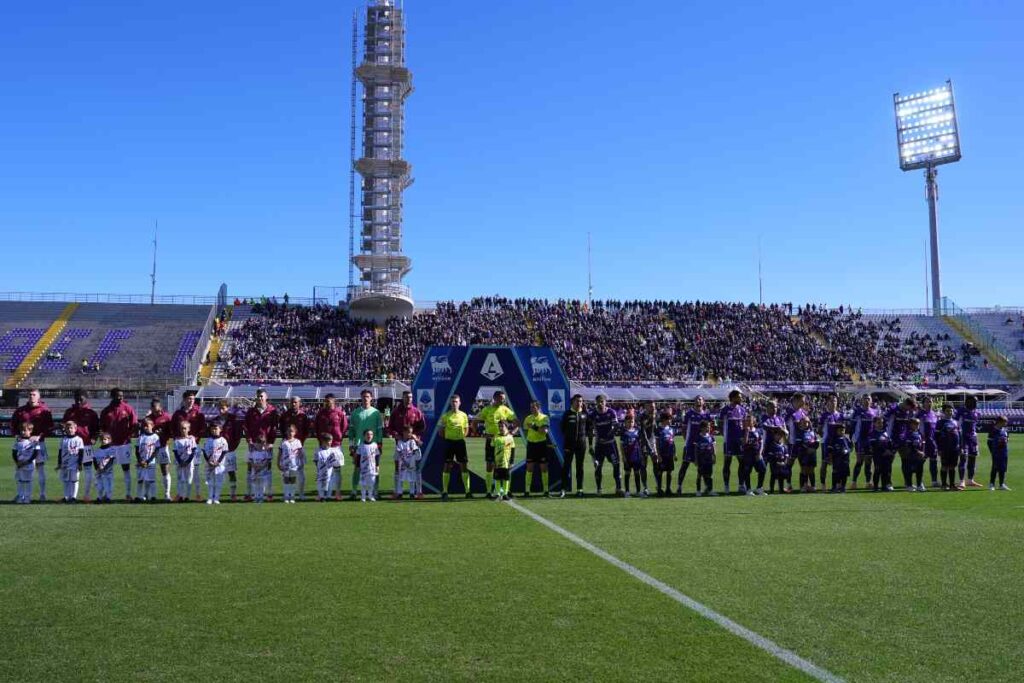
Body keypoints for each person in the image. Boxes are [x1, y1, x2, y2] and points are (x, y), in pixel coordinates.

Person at [12, 388, 54, 502]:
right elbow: (13, 425)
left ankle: (42, 494)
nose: (32, 396)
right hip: (23, 444)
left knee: (40, 469)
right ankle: (20, 494)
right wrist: (17, 435)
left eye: (34, 394)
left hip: (38, 443)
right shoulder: (21, 410)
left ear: (39, 396)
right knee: (20, 469)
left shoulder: (44, 410)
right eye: (30, 394)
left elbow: (50, 427)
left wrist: (39, 436)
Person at [475, 391, 518, 499]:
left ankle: (504, 491)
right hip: (491, 441)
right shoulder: (487, 409)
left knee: (505, 466)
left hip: (504, 442)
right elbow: (474, 423)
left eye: (504, 398)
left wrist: (511, 433)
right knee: (490, 466)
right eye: (501, 398)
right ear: (495, 398)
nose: (503, 400)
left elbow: (517, 422)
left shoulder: (505, 409)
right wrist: (481, 434)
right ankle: (489, 491)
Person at [99, 388, 138, 502]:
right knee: (108, 470)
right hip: (110, 446)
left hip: (124, 444)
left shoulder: (128, 408)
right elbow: (102, 427)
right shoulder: (106, 411)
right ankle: (108, 495)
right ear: (112, 396)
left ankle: (128, 494)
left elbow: (134, 423)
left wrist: (130, 434)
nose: (120, 397)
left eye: (121, 395)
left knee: (126, 469)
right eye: (117, 396)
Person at [387, 391, 426, 500]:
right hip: (400, 445)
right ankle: (397, 492)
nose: (409, 399)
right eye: (406, 397)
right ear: (402, 398)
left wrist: (415, 435)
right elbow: (390, 427)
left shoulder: (416, 411)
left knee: (416, 468)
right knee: (398, 468)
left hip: (413, 444)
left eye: (410, 397)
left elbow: (422, 427)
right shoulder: (396, 411)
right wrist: (396, 435)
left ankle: (418, 492)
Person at [63, 390, 99, 502]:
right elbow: (64, 425)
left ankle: (86, 495)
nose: (78, 401)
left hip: (86, 445)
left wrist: (94, 438)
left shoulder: (91, 413)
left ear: (86, 399)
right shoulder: (69, 412)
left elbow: (96, 428)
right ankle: (70, 496)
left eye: (81, 399)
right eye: (76, 398)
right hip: (71, 447)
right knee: (72, 472)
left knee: (88, 470)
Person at [348, 390, 384, 500]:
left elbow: (379, 431)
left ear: (371, 398)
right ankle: (354, 491)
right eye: (363, 396)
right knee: (357, 469)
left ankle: (375, 491)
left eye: (367, 396)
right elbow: (351, 431)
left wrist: (380, 445)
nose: (365, 398)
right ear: (361, 398)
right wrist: (351, 446)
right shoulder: (355, 413)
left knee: (375, 469)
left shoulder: (376, 413)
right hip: (359, 446)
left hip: (373, 447)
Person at [245, 389, 279, 501]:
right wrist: (249, 440)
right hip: (254, 444)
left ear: (266, 397)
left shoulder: (272, 411)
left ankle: (268, 493)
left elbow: (274, 428)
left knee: (267, 468)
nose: (260, 398)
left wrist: (271, 442)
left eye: (262, 396)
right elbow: (246, 427)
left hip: (267, 444)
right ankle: (249, 493)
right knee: (251, 469)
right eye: (258, 396)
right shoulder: (251, 411)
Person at [173, 390, 207, 503]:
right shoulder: (178, 414)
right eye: (189, 398)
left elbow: (203, 428)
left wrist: (195, 439)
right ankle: (180, 494)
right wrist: (177, 438)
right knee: (179, 473)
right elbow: (171, 427)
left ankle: (197, 494)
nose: (191, 401)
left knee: (195, 472)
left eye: (192, 399)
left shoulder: (198, 412)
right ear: (184, 400)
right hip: (180, 446)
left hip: (194, 446)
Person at [588, 394, 622, 497]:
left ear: (605, 402)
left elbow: (616, 426)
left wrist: (608, 436)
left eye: (602, 402)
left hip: (610, 444)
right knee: (598, 466)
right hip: (599, 445)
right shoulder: (593, 414)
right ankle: (599, 489)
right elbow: (590, 430)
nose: (600, 404)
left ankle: (618, 488)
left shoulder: (611, 412)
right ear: (596, 403)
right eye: (598, 402)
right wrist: (590, 445)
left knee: (616, 465)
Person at [279, 396, 311, 500]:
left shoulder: (303, 415)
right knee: (286, 472)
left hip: (299, 447)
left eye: (295, 402)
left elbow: (307, 430)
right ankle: (288, 494)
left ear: (299, 403)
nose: (293, 404)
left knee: (300, 471)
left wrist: (301, 442)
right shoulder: (284, 415)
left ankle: (301, 493)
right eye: (292, 402)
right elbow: (282, 429)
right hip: (287, 447)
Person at [439, 394, 471, 500]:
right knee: (447, 466)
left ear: (460, 403)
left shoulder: (464, 415)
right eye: (453, 402)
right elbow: (441, 432)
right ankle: (444, 491)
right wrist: (450, 437)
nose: (454, 403)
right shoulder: (445, 416)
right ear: (450, 403)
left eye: (456, 401)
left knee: (464, 466)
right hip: (449, 443)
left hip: (460, 443)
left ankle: (467, 491)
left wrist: (461, 436)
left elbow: (466, 429)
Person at [559, 394, 590, 498]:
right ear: (572, 402)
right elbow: (562, 428)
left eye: (581, 401)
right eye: (577, 401)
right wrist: (569, 439)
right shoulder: (567, 414)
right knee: (566, 466)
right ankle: (563, 489)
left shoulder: (585, 414)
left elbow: (589, 429)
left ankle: (580, 489)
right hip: (569, 444)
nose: (579, 403)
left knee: (579, 467)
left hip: (581, 445)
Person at [211, 401, 243, 501]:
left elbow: (238, 435)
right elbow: (211, 436)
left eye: (223, 408)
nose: (221, 410)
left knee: (231, 473)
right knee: (216, 473)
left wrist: (232, 447)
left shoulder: (233, 419)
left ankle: (233, 494)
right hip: (218, 452)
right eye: (219, 408)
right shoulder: (215, 421)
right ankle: (215, 495)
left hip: (230, 451)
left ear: (228, 408)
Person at [145, 398, 174, 501]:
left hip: (162, 447)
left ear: (160, 407)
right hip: (150, 449)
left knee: (165, 470)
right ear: (151, 409)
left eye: (157, 410)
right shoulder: (148, 418)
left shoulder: (166, 417)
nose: (155, 412)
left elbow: (172, 432)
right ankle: (146, 494)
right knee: (148, 471)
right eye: (153, 410)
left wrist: (166, 439)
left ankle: (167, 494)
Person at [719, 389, 747, 494]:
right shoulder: (725, 410)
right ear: (734, 398)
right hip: (729, 441)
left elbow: (744, 425)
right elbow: (720, 424)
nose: (741, 398)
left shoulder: (743, 410)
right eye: (739, 397)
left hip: (739, 441)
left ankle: (741, 485)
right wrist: (725, 435)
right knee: (727, 463)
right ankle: (726, 486)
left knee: (742, 462)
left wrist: (744, 437)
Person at [523, 401, 553, 497]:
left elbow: (544, 431)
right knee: (529, 468)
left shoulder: (544, 417)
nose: (531, 409)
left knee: (544, 468)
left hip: (541, 445)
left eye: (533, 407)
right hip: (531, 445)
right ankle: (527, 491)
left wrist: (534, 426)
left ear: (538, 408)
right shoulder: (528, 418)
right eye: (531, 407)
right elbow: (525, 428)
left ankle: (546, 491)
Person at [850, 395, 877, 489]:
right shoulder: (857, 412)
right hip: (860, 440)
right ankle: (853, 482)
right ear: (861, 401)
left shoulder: (874, 412)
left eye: (868, 399)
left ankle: (868, 482)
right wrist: (852, 439)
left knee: (869, 462)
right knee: (859, 461)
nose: (866, 400)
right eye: (865, 399)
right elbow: (852, 426)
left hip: (870, 440)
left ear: (871, 401)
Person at [955, 396, 982, 488]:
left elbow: (974, 426)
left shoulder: (977, 413)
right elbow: (956, 424)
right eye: (974, 401)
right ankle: (961, 481)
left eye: (976, 402)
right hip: (963, 437)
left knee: (973, 458)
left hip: (973, 438)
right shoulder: (961, 411)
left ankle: (970, 480)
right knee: (963, 458)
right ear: (968, 401)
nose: (975, 403)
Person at [818, 395, 843, 490]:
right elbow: (819, 430)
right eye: (831, 401)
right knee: (824, 464)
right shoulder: (824, 415)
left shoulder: (840, 415)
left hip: (837, 443)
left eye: (835, 401)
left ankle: (837, 483)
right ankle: (823, 484)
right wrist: (825, 438)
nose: (833, 403)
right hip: (826, 442)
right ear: (828, 403)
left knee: (837, 464)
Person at [57, 420, 84, 503]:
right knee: (65, 480)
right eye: (68, 428)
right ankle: (66, 497)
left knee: (74, 480)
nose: (70, 430)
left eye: (71, 428)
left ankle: (73, 497)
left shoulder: (79, 439)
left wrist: (79, 464)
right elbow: (60, 452)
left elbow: (81, 452)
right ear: (65, 429)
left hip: (74, 464)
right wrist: (59, 463)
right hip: (65, 464)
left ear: (75, 429)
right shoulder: (63, 440)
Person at [12, 422, 39, 504]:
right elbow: (14, 452)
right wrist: (17, 462)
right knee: (20, 481)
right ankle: (20, 496)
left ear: (30, 431)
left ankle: (27, 497)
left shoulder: (34, 441)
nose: (23, 432)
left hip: (29, 464)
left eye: (25, 430)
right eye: (21, 430)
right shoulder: (18, 441)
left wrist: (28, 461)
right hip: (20, 465)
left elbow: (35, 454)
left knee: (28, 481)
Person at [738, 413, 766, 496]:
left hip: (756, 454)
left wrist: (760, 453)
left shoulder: (758, 430)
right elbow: (744, 443)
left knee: (763, 469)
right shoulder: (743, 431)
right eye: (747, 420)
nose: (748, 422)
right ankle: (749, 489)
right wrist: (746, 431)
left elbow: (761, 442)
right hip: (747, 454)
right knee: (747, 471)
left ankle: (759, 488)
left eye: (750, 420)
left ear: (754, 421)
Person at [935, 405, 961, 491]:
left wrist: (961, 447)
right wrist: (938, 448)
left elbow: (960, 436)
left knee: (952, 466)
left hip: (955, 448)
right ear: (943, 412)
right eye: (947, 411)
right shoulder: (940, 422)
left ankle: (952, 485)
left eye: (951, 411)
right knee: (944, 466)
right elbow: (936, 436)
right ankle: (943, 485)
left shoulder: (956, 422)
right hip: (944, 448)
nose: (949, 412)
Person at [620, 414, 646, 497]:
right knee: (627, 473)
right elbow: (621, 445)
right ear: (625, 422)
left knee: (637, 473)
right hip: (628, 456)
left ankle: (638, 491)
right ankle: (627, 492)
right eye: (629, 422)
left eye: (632, 421)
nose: (631, 423)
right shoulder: (624, 432)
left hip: (636, 456)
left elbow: (640, 442)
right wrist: (623, 456)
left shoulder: (637, 431)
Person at [394, 424, 423, 499]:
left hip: (411, 464)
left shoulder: (412, 442)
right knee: (401, 479)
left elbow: (416, 450)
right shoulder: (400, 442)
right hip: (402, 464)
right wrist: (400, 462)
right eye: (408, 432)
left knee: (412, 479)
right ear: (404, 432)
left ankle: (412, 493)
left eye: (411, 432)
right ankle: (400, 493)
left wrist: (417, 443)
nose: (410, 434)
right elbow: (398, 453)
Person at [136, 418, 161, 502]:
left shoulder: (155, 437)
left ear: (152, 426)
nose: (145, 428)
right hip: (141, 462)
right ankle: (139, 496)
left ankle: (153, 496)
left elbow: (156, 451)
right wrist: (140, 461)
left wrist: (148, 461)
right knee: (140, 480)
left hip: (150, 462)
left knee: (151, 480)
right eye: (144, 426)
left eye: (147, 426)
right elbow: (137, 450)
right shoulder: (141, 437)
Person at [277, 423, 304, 504]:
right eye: (288, 431)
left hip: (294, 464)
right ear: (286, 432)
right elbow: (279, 453)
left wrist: (301, 463)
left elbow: (300, 454)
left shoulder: (298, 442)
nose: (290, 433)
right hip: (285, 464)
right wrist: (278, 463)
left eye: (291, 431)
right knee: (286, 480)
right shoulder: (283, 442)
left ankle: (292, 496)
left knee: (292, 480)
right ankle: (286, 496)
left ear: (295, 432)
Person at [204, 423, 229, 504]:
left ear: (220, 429)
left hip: (220, 465)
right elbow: (205, 452)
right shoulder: (208, 440)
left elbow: (224, 452)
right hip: (210, 464)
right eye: (212, 429)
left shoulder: (223, 440)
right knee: (210, 482)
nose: (214, 430)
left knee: (218, 482)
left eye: (216, 428)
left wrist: (218, 462)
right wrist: (209, 461)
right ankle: (210, 497)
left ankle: (216, 498)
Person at [172, 421, 198, 502]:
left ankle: (187, 496)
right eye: (181, 428)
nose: (183, 430)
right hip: (180, 462)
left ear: (188, 429)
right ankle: (180, 495)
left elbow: (193, 451)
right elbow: (175, 452)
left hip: (189, 462)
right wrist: (180, 461)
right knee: (180, 479)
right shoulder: (176, 440)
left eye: (185, 428)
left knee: (189, 478)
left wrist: (188, 461)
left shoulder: (192, 439)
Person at [314, 433, 343, 501]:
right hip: (321, 471)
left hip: (329, 471)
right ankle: (321, 496)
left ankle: (328, 496)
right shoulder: (318, 451)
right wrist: (319, 468)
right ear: (323, 441)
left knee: (329, 482)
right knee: (320, 483)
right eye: (328, 441)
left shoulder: (333, 451)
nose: (330, 443)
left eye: (331, 441)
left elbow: (335, 462)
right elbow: (316, 460)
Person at [491, 421, 515, 501]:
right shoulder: (495, 437)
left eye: (502, 426)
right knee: (497, 478)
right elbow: (491, 449)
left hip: (506, 462)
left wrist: (512, 462)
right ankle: (497, 494)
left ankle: (505, 494)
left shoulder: (510, 437)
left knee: (506, 478)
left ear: (506, 427)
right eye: (499, 426)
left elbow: (513, 450)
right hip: (497, 462)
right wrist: (492, 461)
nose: (500, 428)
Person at [794, 417, 819, 493]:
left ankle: (812, 486)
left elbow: (817, 442)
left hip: (812, 453)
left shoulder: (812, 432)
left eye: (806, 422)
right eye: (803, 422)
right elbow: (799, 443)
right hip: (803, 453)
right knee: (804, 469)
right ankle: (803, 486)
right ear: (800, 424)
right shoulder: (799, 432)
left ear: (809, 423)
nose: (805, 424)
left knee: (811, 470)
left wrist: (813, 449)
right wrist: (807, 448)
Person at [869, 416, 894, 492]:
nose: (880, 424)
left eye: (882, 422)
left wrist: (890, 451)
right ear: (874, 424)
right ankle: (875, 487)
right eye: (878, 423)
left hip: (887, 456)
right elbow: (874, 445)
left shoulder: (886, 432)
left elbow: (890, 443)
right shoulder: (872, 433)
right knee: (878, 470)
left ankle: (884, 486)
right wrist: (884, 451)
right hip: (878, 455)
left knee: (886, 471)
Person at [901, 417, 926, 492]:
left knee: (919, 470)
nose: (917, 425)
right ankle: (909, 485)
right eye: (915, 424)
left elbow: (923, 444)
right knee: (909, 471)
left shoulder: (919, 433)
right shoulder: (908, 434)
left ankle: (919, 484)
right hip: (911, 455)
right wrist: (918, 452)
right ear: (911, 425)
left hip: (919, 456)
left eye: (918, 424)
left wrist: (923, 452)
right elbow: (909, 446)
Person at [654, 413, 676, 497]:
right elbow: (656, 443)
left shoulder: (671, 429)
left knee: (669, 471)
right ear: (664, 420)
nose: (670, 421)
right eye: (669, 419)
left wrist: (675, 453)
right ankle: (659, 489)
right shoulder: (658, 430)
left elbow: (672, 442)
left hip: (669, 454)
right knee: (660, 472)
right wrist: (658, 455)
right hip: (662, 454)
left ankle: (668, 489)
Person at [827, 423, 853, 493]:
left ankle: (843, 487)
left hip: (845, 460)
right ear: (836, 431)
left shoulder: (847, 439)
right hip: (836, 459)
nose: (842, 432)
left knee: (844, 473)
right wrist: (830, 459)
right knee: (836, 473)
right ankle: (834, 487)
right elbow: (830, 450)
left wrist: (847, 450)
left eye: (843, 430)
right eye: (840, 430)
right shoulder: (833, 439)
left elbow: (851, 447)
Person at [987, 416, 1010, 491]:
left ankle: (1001, 484)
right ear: (1000, 422)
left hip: (1004, 452)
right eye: (1005, 422)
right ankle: (991, 484)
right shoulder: (993, 430)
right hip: (996, 453)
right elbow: (989, 442)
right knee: (995, 467)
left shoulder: (1005, 430)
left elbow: (1007, 439)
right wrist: (992, 452)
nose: (1006, 423)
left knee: (1003, 468)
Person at [694, 421, 716, 497]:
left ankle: (710, 490)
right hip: (701, 460)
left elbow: (713, 448)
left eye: (709, 426)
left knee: (710, 475)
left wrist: (714, 456)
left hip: (709, 459)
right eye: (707, 427)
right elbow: (696, 449)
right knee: (699, 475)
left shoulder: (711, 437)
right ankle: (698, 490)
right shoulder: (698, 437)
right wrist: (696, 460)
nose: (709, 428)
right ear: (702, 428)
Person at [92, 432, 116, 504]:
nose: (103, 441)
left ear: (109, 440)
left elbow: (111, 460)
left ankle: (108, 498)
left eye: (105, 439)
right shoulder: (97, 451)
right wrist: (97, 468)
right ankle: (99, 498)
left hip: (108, 472)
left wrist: (105, 468)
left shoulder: (111, 450)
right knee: (99, 486)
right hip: (99, 472)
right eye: (102, 439)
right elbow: (94, 460)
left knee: (109, 486)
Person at [765, 426, 790, 494]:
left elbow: (786, 455)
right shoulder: (772, 445)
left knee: (781, 477)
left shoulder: (784, 446)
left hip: (782, 463)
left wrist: (784, 462)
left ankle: (781, 489)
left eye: (780, 435)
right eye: (777, 435)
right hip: (774, 464)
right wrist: (776, 462)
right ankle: (771, 490)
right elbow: (771, 455)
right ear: (774, 435)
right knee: (773, 476)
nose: (779, 437)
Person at [357, 429, 380, 502]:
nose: (369, 436)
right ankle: (363, 496)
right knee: (363, 483)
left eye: (371, 434)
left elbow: (377, 456)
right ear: (364, 436)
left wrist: (377, 465)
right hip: (363, 467)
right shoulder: (361, 445)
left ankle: (370, 496)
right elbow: (358, 456)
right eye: (367, 434)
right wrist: (358, 466)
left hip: (372, 467)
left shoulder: (375, 445)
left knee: (371, 482)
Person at [249, 438, 272, 503]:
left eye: (262, 443)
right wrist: (254, 467)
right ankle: (256, 496)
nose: (260, 445)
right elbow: (251, 461)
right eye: (259, 443)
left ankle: (261, 497)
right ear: (255, 444)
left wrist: (261, 467)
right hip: (255, 471)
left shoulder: (266, 452)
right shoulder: (253, 452)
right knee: (255, 484)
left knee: (262, 485)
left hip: (263, 471)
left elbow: (267, 461)